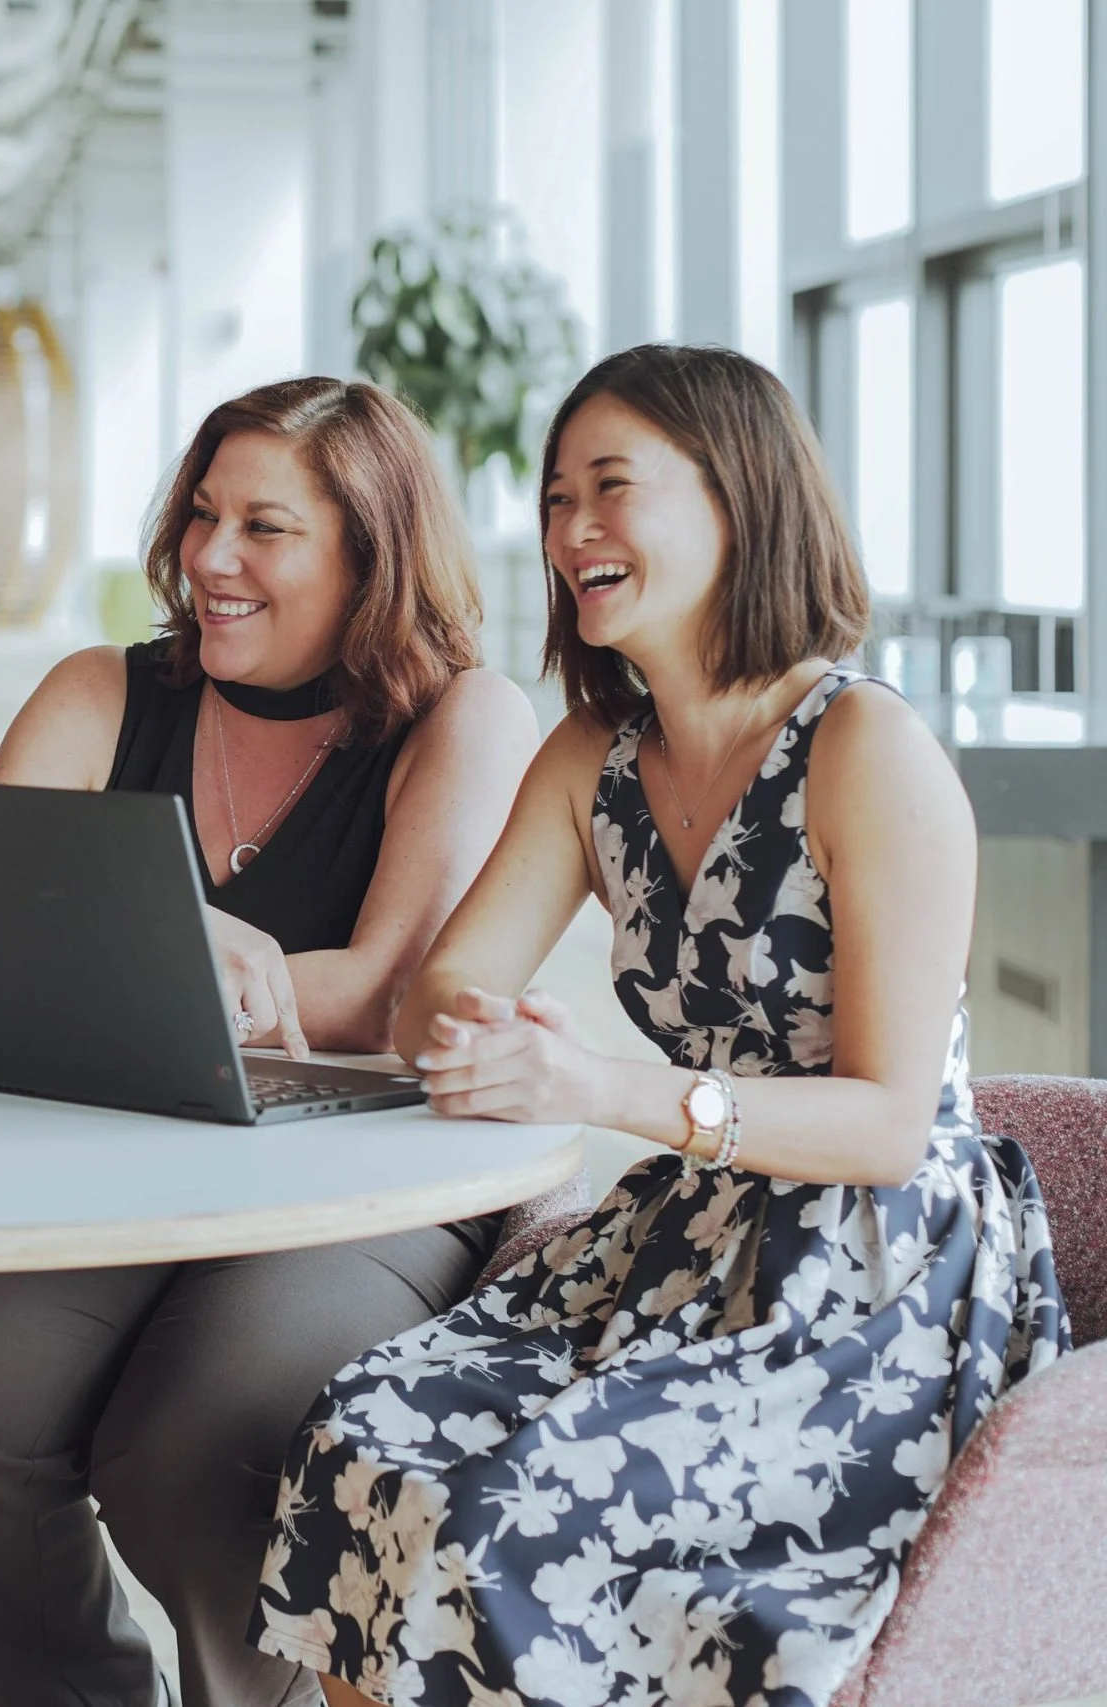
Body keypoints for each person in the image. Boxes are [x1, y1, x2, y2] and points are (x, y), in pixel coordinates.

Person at [253, 344, 1068, 1707]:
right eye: (557, 498)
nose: (572, 531)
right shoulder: (592, 759)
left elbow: (883, 1123)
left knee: (506, 1523)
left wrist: (597, 1084)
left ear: (739, 497)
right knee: (357, 1442)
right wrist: (479, 1023)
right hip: (683, 1241)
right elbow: (435, 999)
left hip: (870, 1279)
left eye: (612, 487)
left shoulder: (867, 748)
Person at [0, 377, 539, 1707]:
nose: (209, 558)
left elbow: (386, 992)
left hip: (364, 1176)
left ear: (371, 551)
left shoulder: (462, 716)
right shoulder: (100, 693)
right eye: (202, 514)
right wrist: (196, 951)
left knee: (197, 1451)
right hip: (121, 1160)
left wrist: (167, 951)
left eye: (265, 526)